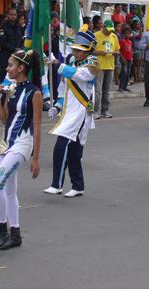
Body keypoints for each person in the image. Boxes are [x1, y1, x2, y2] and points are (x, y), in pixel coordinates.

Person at [0, 49, 42, 250]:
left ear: (21, 68)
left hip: (22, 145)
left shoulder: (35, 93)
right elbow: (5, 119)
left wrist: (35, 158)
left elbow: (37, 127)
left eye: (11, 65)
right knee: (10, 191)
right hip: (5, 143)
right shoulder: (10, 89)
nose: (7, 68)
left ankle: (2, 229)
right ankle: (16, 234)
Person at [44, 28, 98, 198]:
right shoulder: (71, 62)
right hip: (69, 111)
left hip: (81, 111)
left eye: (79, 50)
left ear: (88, 50)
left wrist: (57, 64)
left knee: (61, 145)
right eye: (74, 49)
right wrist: (57, 106)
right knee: (74, 151)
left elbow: (77, 75)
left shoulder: (92, 64)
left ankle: (56, 184)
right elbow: (63, 90)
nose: (75, 52)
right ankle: (78, 185)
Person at [0, 8, 23, 83]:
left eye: (14, 15)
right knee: (5, 72)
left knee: (17, 72)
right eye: (11, 14)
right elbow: (3, 42)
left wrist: (20, 48)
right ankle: (3, 92)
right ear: (8, 15)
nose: (13, 16)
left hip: (17, 55)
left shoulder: (19, 27)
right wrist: (14, 49)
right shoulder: (3, 27)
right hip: (6, 54)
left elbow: (23, 39)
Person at [118, 27, 133, 92]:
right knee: (124, 72)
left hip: (129, 59)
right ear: (124, 34)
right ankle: (120, 87)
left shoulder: (130, 42)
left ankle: (125, 86)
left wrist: (132, 57)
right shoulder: (122, 41)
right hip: (124, 59)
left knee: (128, 73)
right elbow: (119, 50)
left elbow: (130, 50)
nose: (128, 35)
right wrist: (122, 58)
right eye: (126, 33)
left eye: (129, 34)